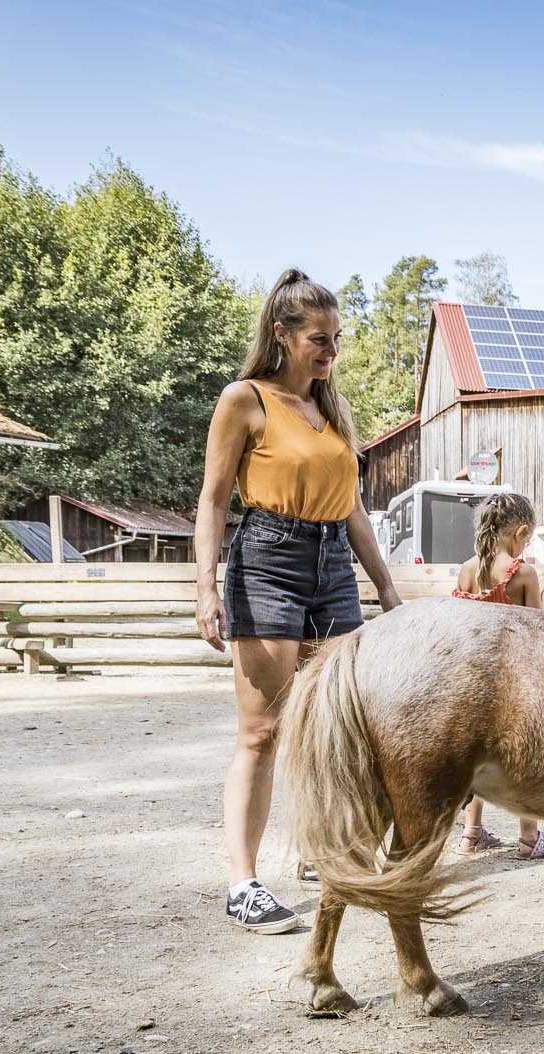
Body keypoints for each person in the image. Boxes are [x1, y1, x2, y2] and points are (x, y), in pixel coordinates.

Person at [194, 269, 405, 934]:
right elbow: (212, 497)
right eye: (320, 338)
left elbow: (354, 510)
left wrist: (389, 588)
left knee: (335, 724)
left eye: (337, 338)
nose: (331, 351)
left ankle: (324, 852)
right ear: (282, 334)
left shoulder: (332, 410)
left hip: (332, 569)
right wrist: (205, 584)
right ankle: (243, 882)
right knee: (262, 732)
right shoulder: (245, 399)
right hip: (268, 561)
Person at [451, 491, 544, 861]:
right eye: (528, 539)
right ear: (519, 532)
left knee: (477, 760)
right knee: (526, 757)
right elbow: (539, 629)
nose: (526, 547)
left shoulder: (466, 570)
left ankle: (471, 834)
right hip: (513, 681)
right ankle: (529, 837)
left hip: (472, 679)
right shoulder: (522, 574)